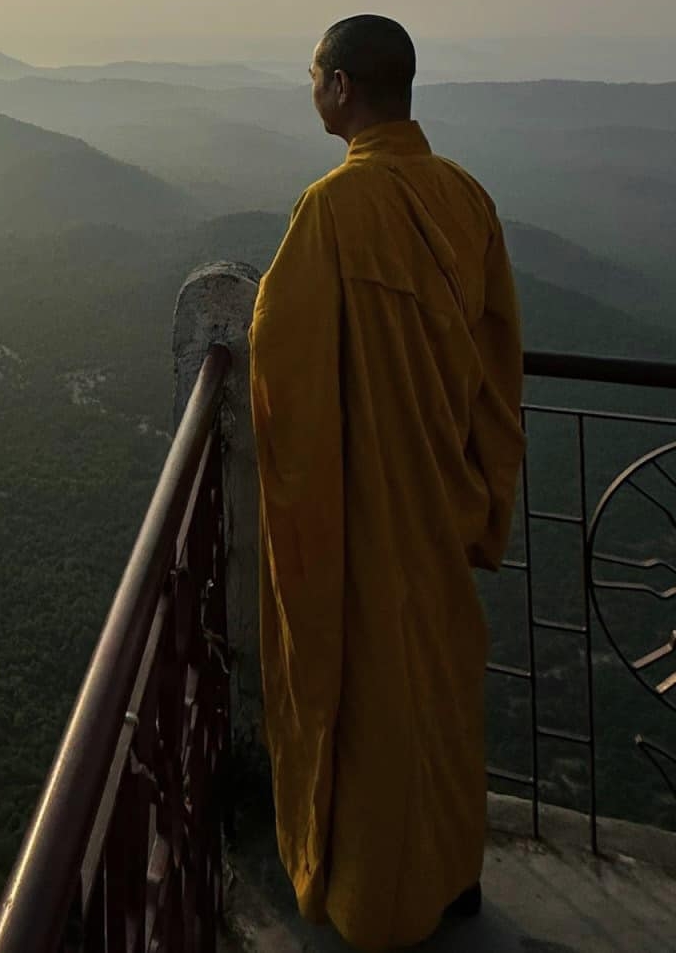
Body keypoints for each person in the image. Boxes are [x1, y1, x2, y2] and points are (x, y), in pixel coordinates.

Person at [249, 15, 525, 951]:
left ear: (340, 88)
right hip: (442, 503)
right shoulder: (467, 199)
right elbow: (498, 368)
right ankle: (452, 877)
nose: (311, 90)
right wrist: (483, 492)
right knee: (441, 697)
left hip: (368, 514)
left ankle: (375, 903)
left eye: (313, 76)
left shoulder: (332, 209)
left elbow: (280, 364)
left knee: (372, 707)